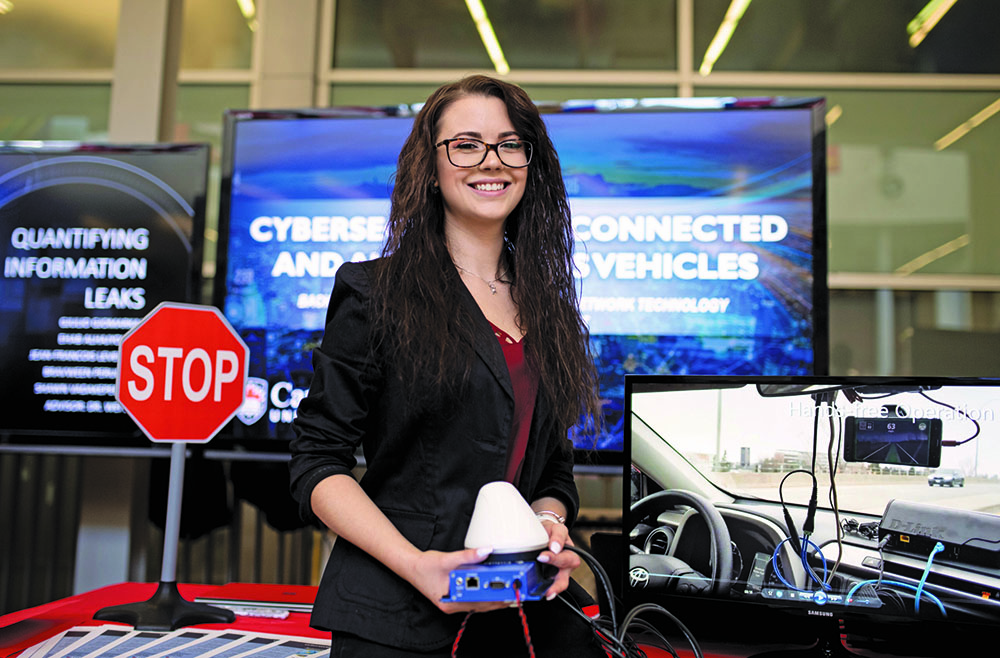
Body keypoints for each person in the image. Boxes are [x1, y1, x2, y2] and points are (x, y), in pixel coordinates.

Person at [289, 74, 605, 657]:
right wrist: (419, 566)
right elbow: (317, 462)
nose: (492, 161)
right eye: (466, 143)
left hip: (518, 606)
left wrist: (546, 524)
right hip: (396, 616)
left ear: (531, 163)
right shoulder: (374, 292)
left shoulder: (550, 308)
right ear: (430, 167)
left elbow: (552, 473)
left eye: (511, 144)